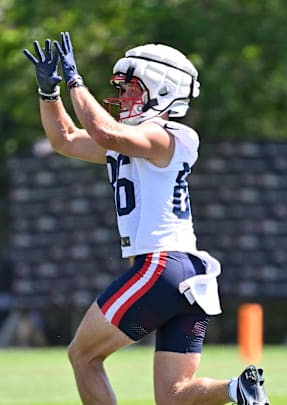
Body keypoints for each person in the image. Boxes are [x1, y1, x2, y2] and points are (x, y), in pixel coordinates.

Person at [23, 32, 270, 405]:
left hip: (161, 267)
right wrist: (48, 94)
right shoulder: (133, 140)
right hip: (187, 273)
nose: (123, 98)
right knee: (174, 396)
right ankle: (240, 389)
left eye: (131, 90)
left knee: (83, 355)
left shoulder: (167, 137)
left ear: (163, 91)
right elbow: (66, 139)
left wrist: (75, 81)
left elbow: (104, 130)